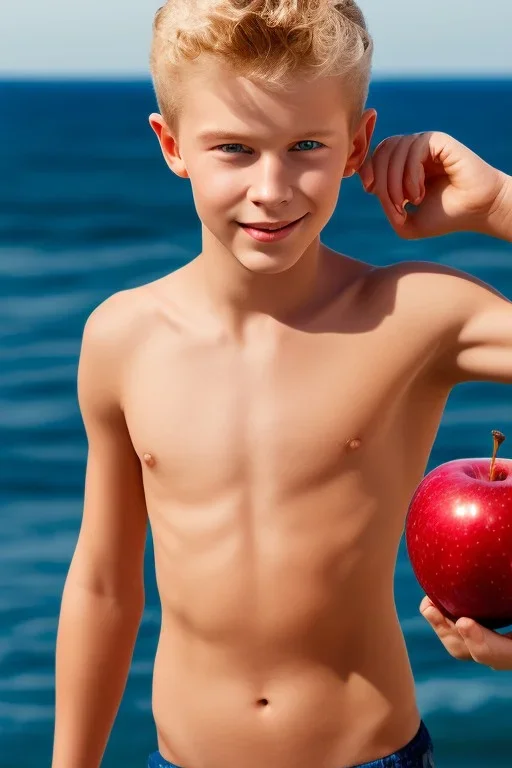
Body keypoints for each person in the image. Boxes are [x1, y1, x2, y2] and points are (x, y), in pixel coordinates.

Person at [50, 1, 512, 767]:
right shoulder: (122, 338)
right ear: (173, 146)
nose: (273, 187)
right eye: (234, 147)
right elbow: (103, 586)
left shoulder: (416, 313)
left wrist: (498, 205)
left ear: (357, 144)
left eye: (306, 145)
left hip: (371, 755)